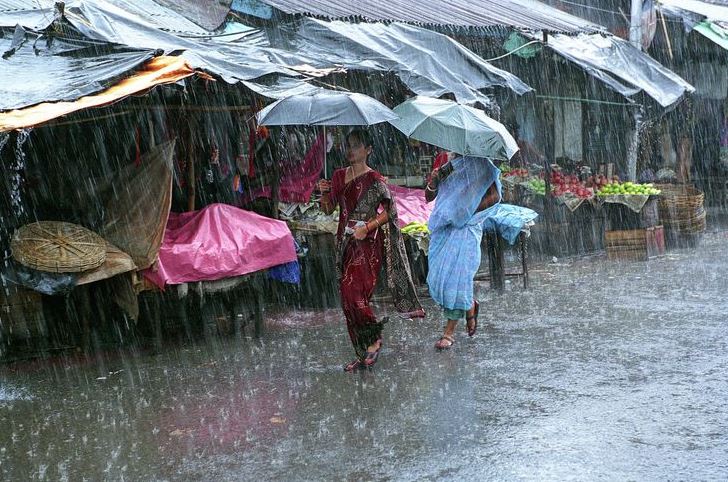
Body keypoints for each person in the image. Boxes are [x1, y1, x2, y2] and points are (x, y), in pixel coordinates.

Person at [316, 129, 424, 371]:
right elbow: (327, 209)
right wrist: (324, 194)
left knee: (355, 295)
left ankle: (374, 340)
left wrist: (368, 227)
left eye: (356, 146)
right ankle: (361, 350)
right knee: (346, 301)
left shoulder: (375, 180)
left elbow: (391, 212)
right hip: (344, 244)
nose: (350, 150)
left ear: (368, 150)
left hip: (367, 246)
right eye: (348, 145)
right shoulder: (337, 176)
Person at [426, 154, 502, 349]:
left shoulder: (483, 165)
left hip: (467, 228)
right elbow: (429, 197)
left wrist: (467, 210)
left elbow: (495, 196)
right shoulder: (446, 164)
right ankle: (469, 305)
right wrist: (433, 182)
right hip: (444, 227)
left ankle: (448, 332)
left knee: (457, 278)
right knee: (438, 277)